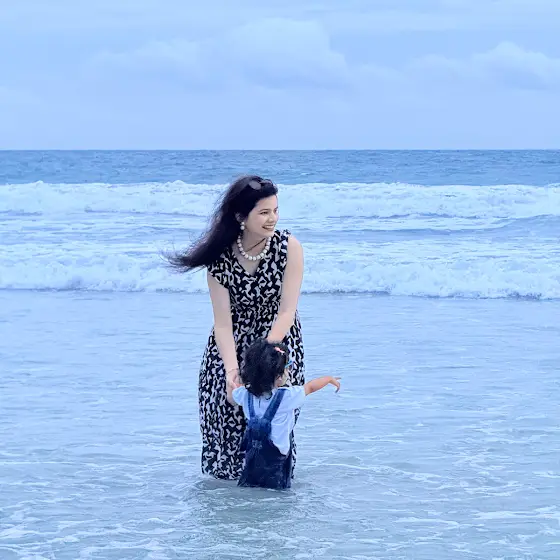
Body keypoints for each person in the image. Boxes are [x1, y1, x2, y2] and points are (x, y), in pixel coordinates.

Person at [166, 175, 305, 480]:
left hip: (276, 342)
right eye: (264, 212)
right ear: (241, 217)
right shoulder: (220, 257)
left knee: (274, 421)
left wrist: (261, 360)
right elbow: (222, 323)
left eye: (275, 210)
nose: (273, 218)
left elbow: (287, 311)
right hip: (231, 343)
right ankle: (228, 498)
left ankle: (272, 489)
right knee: (223, 413)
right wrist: (233, 371)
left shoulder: (288, 247)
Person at [228, 338, 341, 490]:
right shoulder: (287, 396)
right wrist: (328, 379)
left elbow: (234, 394)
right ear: (279, 377)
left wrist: (232, 383)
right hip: (277, 462)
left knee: (250, 489)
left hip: (252, 459)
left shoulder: (245, 394)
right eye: (288, 367)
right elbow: (310, 387)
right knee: (277, 496)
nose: (289, 371)